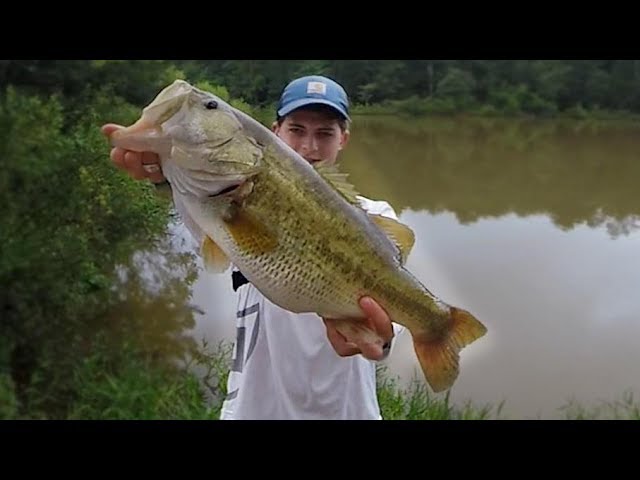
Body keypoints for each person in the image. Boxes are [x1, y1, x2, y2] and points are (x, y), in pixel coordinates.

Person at [101, 74, 405, 420]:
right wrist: (162, 170)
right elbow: (193, 201)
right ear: (274, 131)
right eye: (297, 129)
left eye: (325, 133)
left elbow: (394, 311)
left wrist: (379, 341)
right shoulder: (227, 199)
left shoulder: (375, 217)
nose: (309, 147)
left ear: (343, 139)